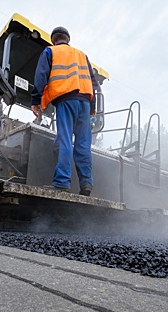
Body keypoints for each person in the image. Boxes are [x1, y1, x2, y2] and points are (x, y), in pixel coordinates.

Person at [31, 26, 98, 196]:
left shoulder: (50, 51)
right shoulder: (82, 55)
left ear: (54, 40)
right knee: (83, 143)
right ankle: (86, 184)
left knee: (65, 140)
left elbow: (41, 76)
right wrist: (92, 107)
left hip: (65, 100)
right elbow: (93, 83)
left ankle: (62, 182)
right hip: (84, 102)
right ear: (68, 39)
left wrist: (35, 100)